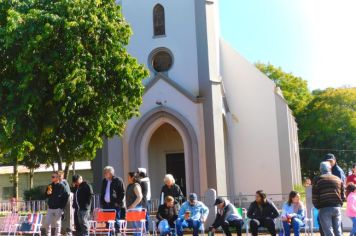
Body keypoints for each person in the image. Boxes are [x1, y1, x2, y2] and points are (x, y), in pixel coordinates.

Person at [312, 161, 345, 236]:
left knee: (328, 231)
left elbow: (314, 197)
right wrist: (339, 204)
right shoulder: (338, 179)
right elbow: (343, 195)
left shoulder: (318, 180)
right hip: (337, 207)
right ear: (330, 169)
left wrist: (318, 207)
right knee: (338, 230)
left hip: (324, 208)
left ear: (320, 169)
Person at [44, 171, 70, 236]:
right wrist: (47, 193)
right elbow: (46, 195)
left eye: (53, 177)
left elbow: (66, 196)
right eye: (51, 176)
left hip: (58, 208)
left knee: (57, 223)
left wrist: (61, 206)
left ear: (57, 178)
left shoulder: (62, 186)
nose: (52, 178)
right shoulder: (50, 185)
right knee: (47, 223)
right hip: (50, 207)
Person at [58, 170, 74, 236]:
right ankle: (63, 231)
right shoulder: (58, 183)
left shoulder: (64, 182)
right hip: (61, 202)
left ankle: (68, 231)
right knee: (63, 217)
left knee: (68, 216)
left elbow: (67, 193)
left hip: (67, 201)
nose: (59, 177)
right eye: (58, 176)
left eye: (60, 176)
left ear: (62, 176)